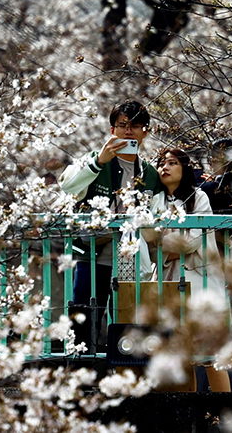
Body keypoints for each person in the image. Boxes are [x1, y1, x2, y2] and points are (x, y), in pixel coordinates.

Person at [58, 101, 161, 354]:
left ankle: (124, 377)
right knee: (82, 320)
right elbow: (68, 186)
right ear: (112, 128)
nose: (129, 132)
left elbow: (157, 220)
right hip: (93, 255)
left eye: (136, 126)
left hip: (132, 261)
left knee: (127, 326)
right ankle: (79, 380)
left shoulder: (149, 173)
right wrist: (98, 161)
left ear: (145, 131)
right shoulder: (95, 162)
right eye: (123, 125)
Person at [143, 148, 231, 392]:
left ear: (184, 169)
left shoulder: (198, 197)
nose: (165, 167)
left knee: (209, 353)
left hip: (199, 280)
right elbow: (148, 238)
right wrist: (166, 246)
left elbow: (193, 240)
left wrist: (163, 244)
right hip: (167, 280)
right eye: (161, 163)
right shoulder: (154, 200)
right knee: (179, 353)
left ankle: (225, 410)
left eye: (172, 163)